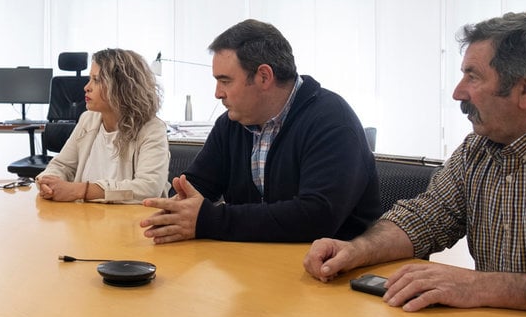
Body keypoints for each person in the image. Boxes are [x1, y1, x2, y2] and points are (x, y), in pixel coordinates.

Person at [304, 11, 526, 317]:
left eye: (473, 76)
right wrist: (357, 249)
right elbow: (426, 218)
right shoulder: (481, 147)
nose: (459, 92)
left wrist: (482, 286)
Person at [140, 19, 379, 243]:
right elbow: (195, 186)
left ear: (264, 77)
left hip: (332, 272)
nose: (217, 93)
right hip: (254, 263)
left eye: (225, 81)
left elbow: (316, 217)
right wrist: (180, 205)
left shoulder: (331, 120)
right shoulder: (231, 124)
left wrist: (209, 220)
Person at [36, 48, 169, 203]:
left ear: (122, 87)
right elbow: (62, 165)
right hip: (84, 218)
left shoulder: (152, 129)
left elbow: (148, 188)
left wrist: (81, 190)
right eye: (89, 79)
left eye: (97, 80)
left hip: (130, 222)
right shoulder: (88, 119)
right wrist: (49, 182)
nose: (86, 87)